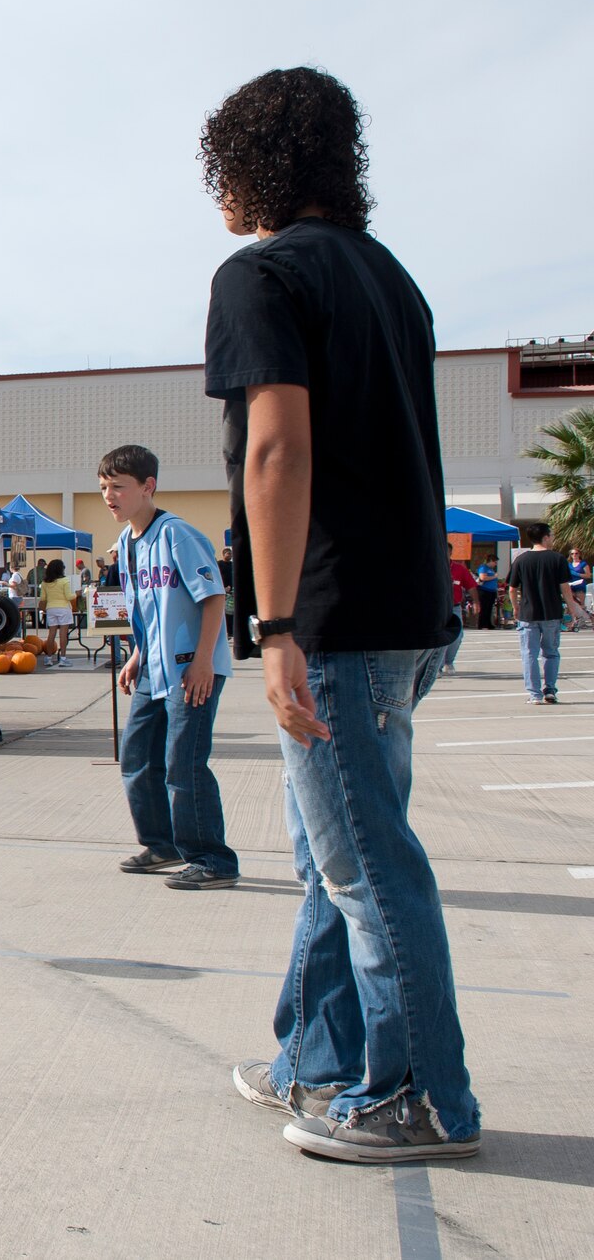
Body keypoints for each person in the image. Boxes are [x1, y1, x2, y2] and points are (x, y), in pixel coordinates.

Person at [202, 67, 478, 1161]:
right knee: (332, 856)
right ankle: (312, 1057)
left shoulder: (258, 273)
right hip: (407, 610)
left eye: (219, 169)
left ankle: (417, 1094)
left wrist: (274, 628)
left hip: (334, 621)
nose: (215, 195)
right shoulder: (388, 279)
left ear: (249, 167)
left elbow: (275, 447)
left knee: (364, 864)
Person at [101, 446, 237, 891]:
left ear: (148, 487)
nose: (109, 495)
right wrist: (138, 656)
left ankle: (213, 859)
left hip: (190, 671)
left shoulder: (178, 534)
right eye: (103, 487)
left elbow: (214, 597)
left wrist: (203, 661)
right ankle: (161, 844)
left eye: (118, 487)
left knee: (184, 764)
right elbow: (149, 611)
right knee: (138, 758)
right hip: (152, 671)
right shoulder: (125, 544)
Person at [505, 523, 572, 705]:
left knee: (529, 654)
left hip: (528, 613)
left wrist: (516, 607)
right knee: (551, 653)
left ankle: (534, 694)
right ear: (546, 537)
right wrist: (572, 609)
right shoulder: (557, 559)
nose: (553, 538)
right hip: (552, 612)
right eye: (551, 535)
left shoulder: (521, 560)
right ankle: (550, 690)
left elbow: (512, 588)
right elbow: (565, 588)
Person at [443, 545, 478, 673]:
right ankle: (437, 666)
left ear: (451, 553)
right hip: (438, 609)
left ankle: (448, 662)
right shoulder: (432, 567)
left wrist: (476, 602)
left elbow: (471, 586)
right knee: (438, 636)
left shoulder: (459, 569)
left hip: (454, 607)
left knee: (457, 636)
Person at [37, 558, 74, 667]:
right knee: (63, 633)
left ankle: (48, 658)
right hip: (64, 608)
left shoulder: (44, 582)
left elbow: (43, 598)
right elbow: (69, 596)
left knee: (51, 633)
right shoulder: (65, 581)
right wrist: (77, 594)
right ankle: (63, 658)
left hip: (50, 608)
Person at [568, 546, 591, 631]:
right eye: (572, 553)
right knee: (571, 604)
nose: (574, 555)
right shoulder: (569, 565)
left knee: (581, 604)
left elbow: (588, 575)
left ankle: (588, 619)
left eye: (576, 553)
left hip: (580, 585)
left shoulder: (583, 564)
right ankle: (574, 622)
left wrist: (577, 574)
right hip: (571, 586)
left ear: (579, 554)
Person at [473, 555, 498, 631]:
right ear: (490, 561)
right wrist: (494, 576)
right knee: (484, 608)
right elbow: (482, 578)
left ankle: (488, 623)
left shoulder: (491, 569)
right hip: (484, 590)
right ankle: (482, 624)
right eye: (494, 562)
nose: (495, 564)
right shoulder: (483, 567)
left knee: (489, 608)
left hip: (491, 591)